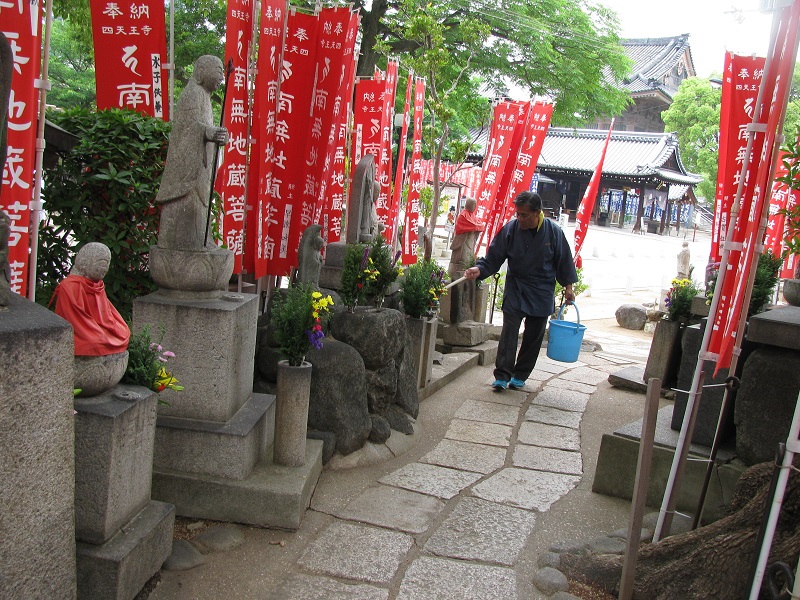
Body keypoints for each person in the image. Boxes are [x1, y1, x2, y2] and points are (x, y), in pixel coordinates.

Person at [464, 191, 577, 391]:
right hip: (516, 286)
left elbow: (564, 260)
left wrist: (568, 286)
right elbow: (494, 256)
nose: (520, 218)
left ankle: (520, 374)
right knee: (509, 332)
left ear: (537, 213)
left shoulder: (553, 232)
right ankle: (502, 375)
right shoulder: (511, 229)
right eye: (518, 214)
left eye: (524, 215)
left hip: (542, 289)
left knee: (534, 336)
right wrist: (480, 269)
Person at [155, 55, 229, 251]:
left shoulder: (204, 96)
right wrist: (208, 132)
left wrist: (217, 136)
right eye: (218, 70)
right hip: (188, 171)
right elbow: (187, 127)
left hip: (201, 170)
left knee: (199, 207)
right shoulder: (192, 93)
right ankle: (187, 242)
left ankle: (199, 240)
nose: (222, 76)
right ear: (204, 70)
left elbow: (204, 129)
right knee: (188, 205)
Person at [51, 242, 130, 356]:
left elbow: (106, 315)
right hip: (82, 331)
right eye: (101, 264)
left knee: (123, 331)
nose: (104, 269)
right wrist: (98, 334)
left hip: (98, 326)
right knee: (95, 342)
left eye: (107, 265)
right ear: (84, 263)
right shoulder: (70, 286)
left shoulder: (97, 284)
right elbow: (76, 320)